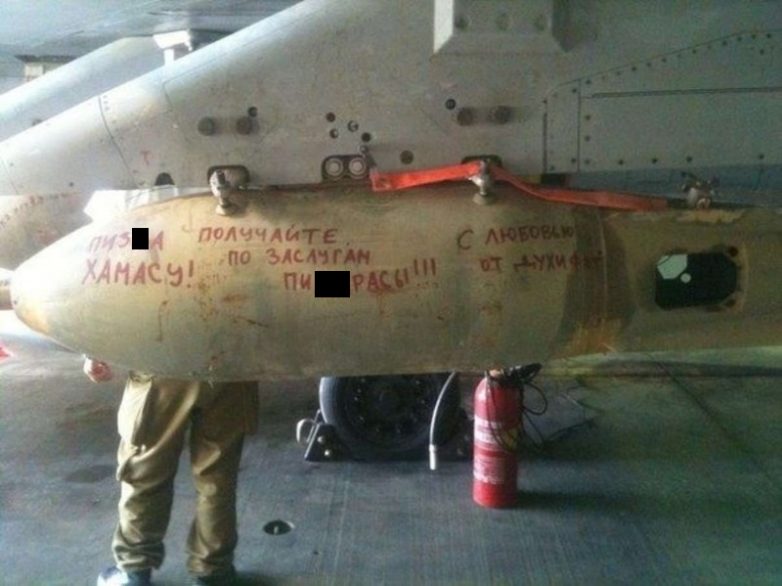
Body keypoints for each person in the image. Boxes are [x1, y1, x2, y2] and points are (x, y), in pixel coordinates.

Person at [84, 357, 259, 586]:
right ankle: (213, 571)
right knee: (217, 481)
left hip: (164, 361)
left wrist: (92, 352)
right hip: (230, 366)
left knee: (145, 472)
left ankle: (134, 570)